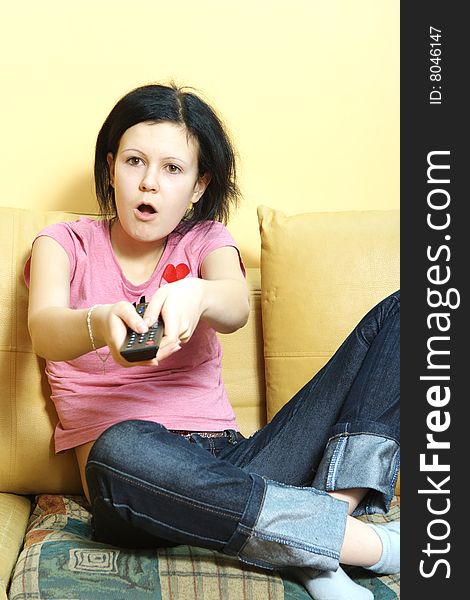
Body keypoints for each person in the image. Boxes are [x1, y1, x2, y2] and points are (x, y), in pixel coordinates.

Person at [25, 83, 400, 600]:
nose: (149, 184)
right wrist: (101, 322)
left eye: (172, 169)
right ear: (111, 167)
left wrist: (198, 295)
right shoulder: (64, 245)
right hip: (135, 481)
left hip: (234, 465)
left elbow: (235, 307)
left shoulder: (207, 242)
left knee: (408, 311)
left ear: (199, 185)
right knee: (118, 447)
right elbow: (43, 327)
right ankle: (352, 542)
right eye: (134, 162)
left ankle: (318, 530)